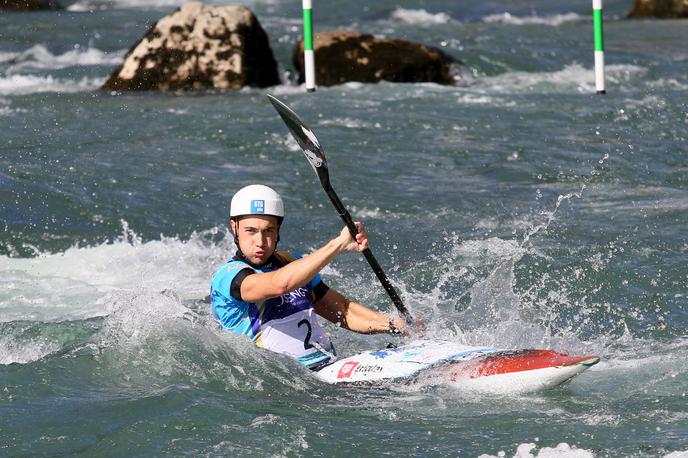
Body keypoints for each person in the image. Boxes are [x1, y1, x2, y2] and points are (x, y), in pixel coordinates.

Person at [210, 184, 409, 370]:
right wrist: (338, 244)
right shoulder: (229, 277)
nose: (260, 241)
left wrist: (394, 325)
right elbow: (280, 284)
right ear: (234, 227)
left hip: (329, 368)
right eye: (250, 231)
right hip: (286, 383)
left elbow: (343, 311)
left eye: (269, 231)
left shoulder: (291, 262)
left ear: (278, 229)